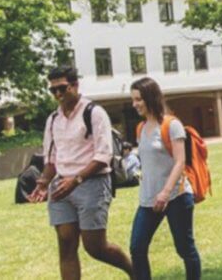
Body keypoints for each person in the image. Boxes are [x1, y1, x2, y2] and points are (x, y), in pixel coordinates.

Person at [26, 65, 135, 279]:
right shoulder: (53, 120)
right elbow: (51, 159)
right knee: (66, 245)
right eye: (53, 90)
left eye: (62, 88)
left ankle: (136, 271)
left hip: (92, 183)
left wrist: (76, 180)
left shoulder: (93, 113)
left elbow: (104, 156)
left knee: (95, 247)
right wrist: (43, 183)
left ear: (75, 85)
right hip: (61, 188)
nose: (58, 94)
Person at [128, 77, 202, 280]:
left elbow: (180, 162)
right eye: (133, 100)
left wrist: (166, 192)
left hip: (176, 196)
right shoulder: (141, 128)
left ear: (151, 98)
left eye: (138, 99)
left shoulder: (172, 125)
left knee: (184, 248)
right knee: (137, 247)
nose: (134, 104)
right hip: (148, 199)